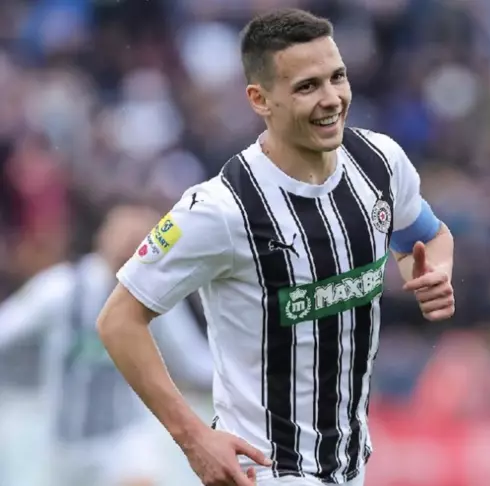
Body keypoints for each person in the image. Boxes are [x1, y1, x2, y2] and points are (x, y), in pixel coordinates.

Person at [97, 8, 455, 486]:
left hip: (349, 467)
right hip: (268, 470)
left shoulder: (380, 163)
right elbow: (118, 320)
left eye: (337, 77)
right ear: (260, 100)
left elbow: (426, 238)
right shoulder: (222, 209)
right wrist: (193, 437)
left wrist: (433, 273)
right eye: (308, 86)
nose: (331, 99)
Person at [0, 201, 213, 486]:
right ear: (103, 237)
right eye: (125, 237)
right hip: (64, 444)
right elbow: (7, 329)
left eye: (139, 240)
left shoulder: (155, 298)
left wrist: (250, 377)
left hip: (124, 439)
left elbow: (191, 360)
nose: (130, 247)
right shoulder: (61, 289)